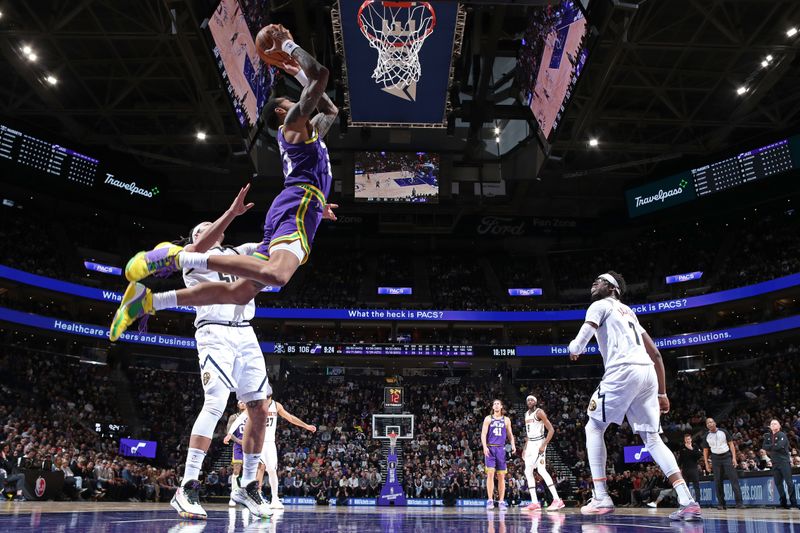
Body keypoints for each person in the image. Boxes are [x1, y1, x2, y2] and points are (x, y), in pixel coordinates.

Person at [109, 24, 338, 342]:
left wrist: (298, 75)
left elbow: (330, 109)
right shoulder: (293, 126)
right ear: (284, 113)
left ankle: (148, 302)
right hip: (297, 205)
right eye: (294, 100)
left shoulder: (306, 131)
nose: (302, 101)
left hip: (299, 203)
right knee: (278, 276)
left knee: (240, 294)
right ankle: (177, 257)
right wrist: (288, 46)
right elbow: (322, 75)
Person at [169, 197, 273, 520]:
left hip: (245, 331)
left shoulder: (236, 252)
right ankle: (187, 486)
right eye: (202, 230)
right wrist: (229, 212)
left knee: (260, 408)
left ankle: (247, 486)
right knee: (215, 402)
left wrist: (308, 217)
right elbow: (202, 242)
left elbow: (273, 243)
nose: (210, 232)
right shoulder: (191, 258)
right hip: (214, 331)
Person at [568, 271, 702, 521]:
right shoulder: (630, 312)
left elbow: (581, 340)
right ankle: (687, 501)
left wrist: (574, 348)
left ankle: (601, 496)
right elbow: (656, 354)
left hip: (623, 370)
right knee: (652, 439)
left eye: (600, 281)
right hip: (647, 374)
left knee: (593, 427)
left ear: (613, 288)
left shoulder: (599, 306)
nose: (594, 284)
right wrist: (662, 392)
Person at [256, 397, 316, 508]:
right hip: (257, 441)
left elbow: (290, 418)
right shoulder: (256, 403)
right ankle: (257, 497)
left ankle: (274, 498)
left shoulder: (276, 405)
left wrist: (306, 426)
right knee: (260, 468)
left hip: (269, 442)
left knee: (272, 470)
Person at [521, 394, 564, 511]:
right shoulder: (526, 414)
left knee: (540, 470)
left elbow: (551, 430)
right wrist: (525, 448)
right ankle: (535, 503)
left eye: (532, 400)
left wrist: (543, 445)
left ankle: (557, 500)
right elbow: (529, 434)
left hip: (539, 443)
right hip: (530, 444)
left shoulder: (539, 412)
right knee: (528, 471)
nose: (529, 401)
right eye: (528, 400)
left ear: (535, 402)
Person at [481, 399, 516, 511]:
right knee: (490, 474)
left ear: (501, 406)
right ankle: (490, 500)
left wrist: (513, 445)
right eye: (494, 404)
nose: (496, 405)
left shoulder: (506, 420)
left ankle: (501, 501)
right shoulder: (488, 418)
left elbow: (510, 434)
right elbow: (483, 434)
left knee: (501, 476)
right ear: (492, 406)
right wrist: (484, 446)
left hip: (501, 448)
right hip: (490, 448)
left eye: (498, 404)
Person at [702, 417, 744, 510]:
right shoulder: (706, 436)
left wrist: (734, 458)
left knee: (734, 480)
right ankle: (721, 504)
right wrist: (706, 464)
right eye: (707, 423)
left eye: (711, 422)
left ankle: (739, 503)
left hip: (726, 457)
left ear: (715, 423)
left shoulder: (723, 431)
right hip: (715, 459)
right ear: (706, 425)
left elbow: (731, 444)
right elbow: (705, 451)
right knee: (718, 482)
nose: (709, 424)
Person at [763, 419, 798, 509]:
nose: (773, 425)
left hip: (784, 462)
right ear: (770, 427)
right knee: (778, 483)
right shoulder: (768, 436)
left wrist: (771, 446)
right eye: (771, 424)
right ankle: (783, 502)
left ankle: (793, 502)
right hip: (774, 462)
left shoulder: (782, 435)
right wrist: (773, 446)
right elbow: (764, 447)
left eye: (775, 424)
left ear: (779, 426)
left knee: (789, 482)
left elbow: (779, 446)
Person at [677, 434, 703, 503]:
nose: (687, 440)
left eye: (688, 439)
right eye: (686, 439)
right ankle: (686, 501)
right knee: (686, 486)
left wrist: (691, 449)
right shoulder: (682, 447)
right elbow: (680, 458)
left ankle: (698, 501)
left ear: (691, 439)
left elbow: (699, 455)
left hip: (694, 468)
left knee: (696, 485)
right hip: (685, 469)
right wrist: (679, 467)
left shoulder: (695, 446)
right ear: (684, 440)